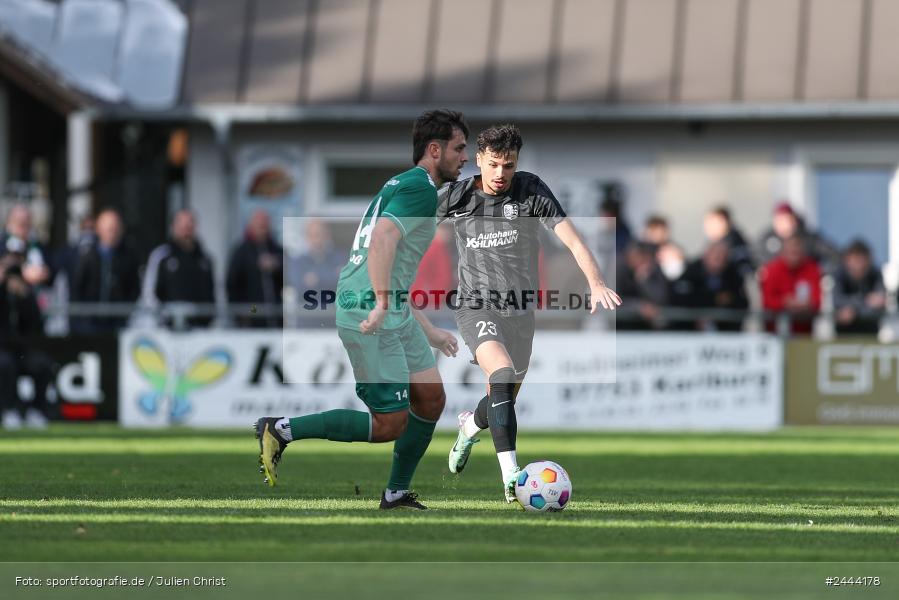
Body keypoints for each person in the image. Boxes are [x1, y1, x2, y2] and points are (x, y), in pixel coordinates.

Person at [254, 109, 469, 510]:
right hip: (369, 310)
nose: (465, 157)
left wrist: (429, 330)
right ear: (434, 150)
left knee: (430, 398)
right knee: (390, 423)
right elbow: (382, 240)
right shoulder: (421, 189)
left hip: (390, 308)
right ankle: (280, 429)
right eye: (459, 148)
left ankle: (396, 493)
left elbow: (393, 266)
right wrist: (383, 301)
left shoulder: (405, 184)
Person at [440, 124, 620, 502]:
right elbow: (402, 225)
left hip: (520, 312)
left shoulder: (530, 189)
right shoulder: (457, 195)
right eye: (493, 164)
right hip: (475, 306)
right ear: (479, 160)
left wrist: (596, 282)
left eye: (508, 165)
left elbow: (573, 240)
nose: (500, 173)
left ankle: (469, 427)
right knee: (501, 372)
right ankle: (511, 477)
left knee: (502, 396)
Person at [0, 253, 54, 429]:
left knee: (42, 365)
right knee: (5, 365)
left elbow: (36, 323)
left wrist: (24, 296)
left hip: (22, 350)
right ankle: (8, 409)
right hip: (3, 349)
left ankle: (36, 410)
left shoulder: (26, 293)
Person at [141, 210, 216, 328]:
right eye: (182, 226)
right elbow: (149, 294)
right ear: (173, 227)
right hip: (168, 329)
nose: (186, 230)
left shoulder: (205, 259)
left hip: (199, 329)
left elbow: (214, 294)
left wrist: (209, 320)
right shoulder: (162, 255)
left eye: (189, 226)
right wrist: (163, 318)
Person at [70, 209, 141, 332]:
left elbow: (134, 289)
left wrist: (124, 314)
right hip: (89, 324)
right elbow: (77, 288)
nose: (112, 233)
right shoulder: (86, 257)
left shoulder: (128, 258)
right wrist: (82, 318)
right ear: (99, 229)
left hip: (118, 324)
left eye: (115, 229)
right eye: (109, 229)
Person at [672, 241, 748, 331]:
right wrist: (714, 300)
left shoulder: (732, 275)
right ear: (706, 255)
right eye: (716, 256)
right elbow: (682, 299)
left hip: (725, 329)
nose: (719, 259)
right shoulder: (691, 273)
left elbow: (741, 301)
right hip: (690, 329)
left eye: (723, 256)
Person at [226, 210, 283, 328]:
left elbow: (288, 278)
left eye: (264, 224)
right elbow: (232, 283)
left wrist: (276, 266)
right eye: (259, 224)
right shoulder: (242, 251)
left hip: (275, 311)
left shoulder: (276, 250)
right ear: (251, 225)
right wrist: (240, 314)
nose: (262, 227)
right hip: (252, 308)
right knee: (254, 320)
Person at [288, 219, 345, 328]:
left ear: (327, 236)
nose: (317, 239)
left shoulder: (338, 258)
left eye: (320, 234)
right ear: (306, 237)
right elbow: (299, 287)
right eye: (313, 235)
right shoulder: (298, 261)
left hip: (333, 322)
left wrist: (316, 278)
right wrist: (332, 275)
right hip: (307, 323)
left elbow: (344, 284)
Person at [760, 235, 822, 334]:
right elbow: (767, 300)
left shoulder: (812, 269)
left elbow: (817, 301)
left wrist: (805, 304)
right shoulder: (772, 269)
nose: (794, 257)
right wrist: (784, 302)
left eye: (797, 252)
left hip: (804, 331)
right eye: (791, 252)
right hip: (775, 330)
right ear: (783, 252)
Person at [755, 202, 838, 271]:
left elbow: (832, 255)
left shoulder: (809, 238)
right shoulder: (766, 240)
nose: (784, 224)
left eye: (786, 219)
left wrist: (820, 272)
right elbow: (755, 258)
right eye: (780, 220)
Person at [833, 240, 885, 334]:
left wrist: (853, 310)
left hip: (870, 328)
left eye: (862, 260)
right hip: (844, 330)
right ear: (847, 260)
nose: (859, 265)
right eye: (856, 260)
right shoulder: (839, 274)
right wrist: (865, 301)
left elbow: (879, 302)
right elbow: (837, 301)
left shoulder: (875, 274)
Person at [616, 241, 670, 330]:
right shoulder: (618, 268)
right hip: (619, 326)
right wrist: (638, 307)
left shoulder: (653, 269)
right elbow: (613, 300)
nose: (647, 262)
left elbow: (661, 298)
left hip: (645, 326)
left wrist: (644, 280)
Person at [1, 204, 52, 290]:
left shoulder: (38, 246)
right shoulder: (2, 245)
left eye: (26, 222)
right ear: (9, 222)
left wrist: (43, 274)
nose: (23, 226)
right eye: (19, 221)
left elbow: (51, 271)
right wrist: (22, 271)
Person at [703, 206, 753, 276]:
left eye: (711, 222)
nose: (707, 227)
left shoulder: (734, 243)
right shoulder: (715, 244)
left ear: (723, 222)